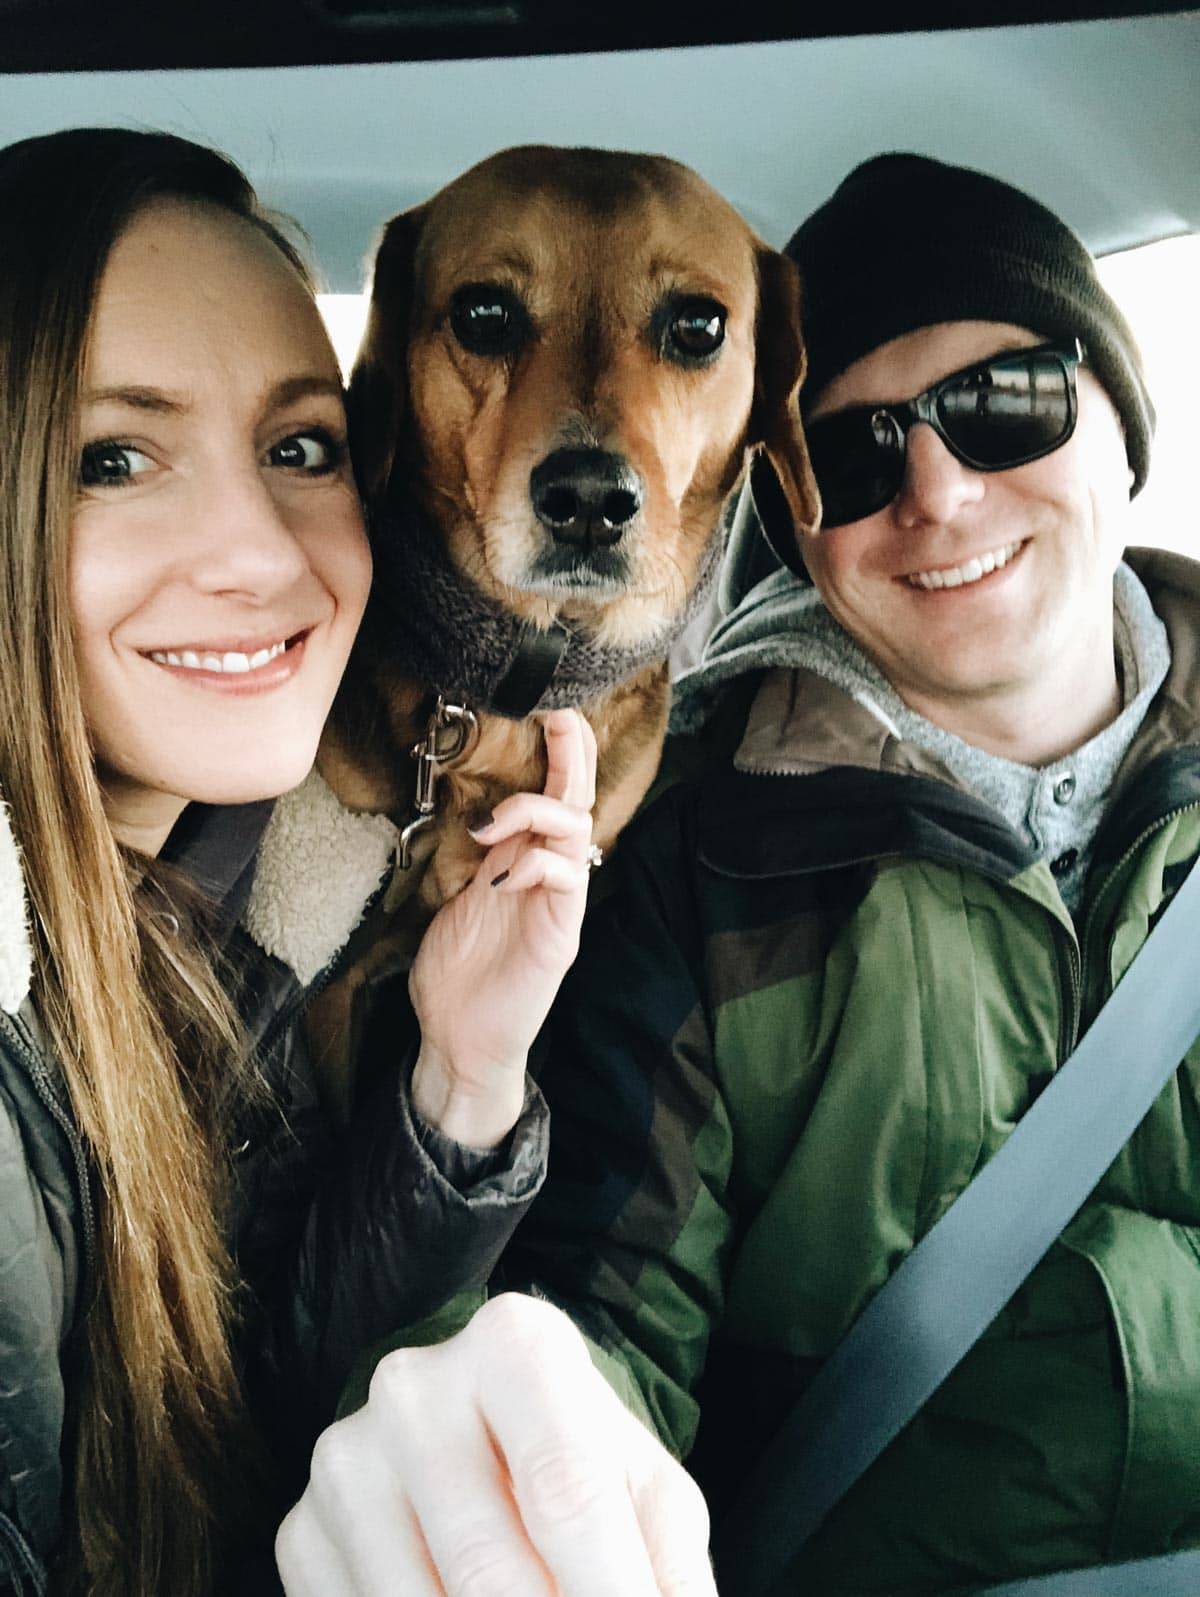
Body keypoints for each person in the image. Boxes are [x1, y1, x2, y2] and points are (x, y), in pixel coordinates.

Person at [478, 152, 1200, 1594]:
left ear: (1117, 420)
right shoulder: (696, 854)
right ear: (792, 515)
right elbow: (601, 1329)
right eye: (858, 452)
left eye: (1006, 408)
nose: (935, 489)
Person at [0, 125, 607, 1597]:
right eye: (114, 458)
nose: (261, 551)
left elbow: (242, 1440)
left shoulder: (219, 914)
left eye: (298, 448)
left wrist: (460, 1080)